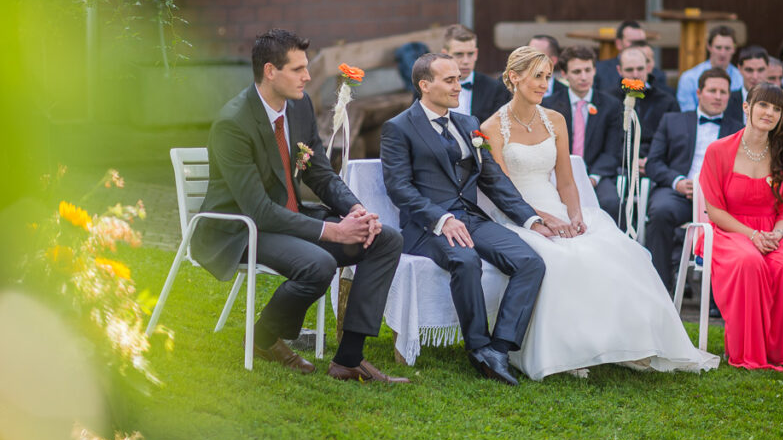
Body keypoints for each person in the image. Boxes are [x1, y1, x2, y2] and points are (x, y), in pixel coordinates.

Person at [478, 46, 719, 380]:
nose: (544, 84)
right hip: (520, 217)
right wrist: (542, 220)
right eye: (537, 77)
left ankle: (629, 343)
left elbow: (566, 180)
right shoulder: (491, 128)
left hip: (559, 209)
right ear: (514, 77)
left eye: (548, 77)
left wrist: (575, 215)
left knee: (623, 251)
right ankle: (574, 350)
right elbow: (505, 193)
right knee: (563, 260)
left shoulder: (555, 120)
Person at [192, 29, 408, 383]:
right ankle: (262, 338)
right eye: (298, 69)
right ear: (270, 71)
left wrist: (353, 209)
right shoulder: (233, 124)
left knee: (384, 238)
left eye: (306, 68)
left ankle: (348, 359)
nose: (308, 77)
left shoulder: (299, 105)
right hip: (240, 227)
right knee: (318, 264)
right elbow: (258, 210)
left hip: (289, 216)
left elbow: (319, 172)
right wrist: (332, 230)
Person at [380, 52, 550, 386]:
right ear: (424, 85)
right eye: (450, 80)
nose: (459, 86)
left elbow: (493, 179)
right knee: (466, 260)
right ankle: (477, 346)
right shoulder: (398, 128)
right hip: (428, 228)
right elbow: (398, 188)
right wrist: (441, 219)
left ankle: (498, 350)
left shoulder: (469, 124)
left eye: (459, 79)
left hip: (472, 219)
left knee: (530, 261)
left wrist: (531, 219)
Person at [698, 83, 783, 373]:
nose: (769, 113)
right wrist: (752, 235)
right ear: (746, 107)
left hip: (771, 230)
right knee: (748, 261)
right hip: (729, 230)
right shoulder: (718, 151)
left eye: (777, 109)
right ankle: (748, 352)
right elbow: (714, 210)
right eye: (763, 105)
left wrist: (776, 234)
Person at [645, 67, 743, 290]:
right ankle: (660, 289)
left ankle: (720, 296)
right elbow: (653, 163)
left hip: (721, 200)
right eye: (712, 90)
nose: (718, 97)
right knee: (660, 211)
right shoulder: (672, 121)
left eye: (723, 92)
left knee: (739, 220)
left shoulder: (739, 130)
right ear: (699, 93)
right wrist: (677, 181)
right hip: (679, 193)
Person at [543, 45, 623, 219]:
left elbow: (612, 151)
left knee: (611, 202)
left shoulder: (611, 105)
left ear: (595, 70)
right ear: (564, 74)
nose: (584, 77)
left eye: (588, 70)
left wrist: (592, 178)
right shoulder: (549, 106)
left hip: (597, 174)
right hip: (558, 174)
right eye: (577, 71)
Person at [617, 44, 679, 167]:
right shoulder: (609, 100)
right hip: (618, 165)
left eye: (640, 69)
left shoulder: (667, 101)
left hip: (656, 164)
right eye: (629, 70)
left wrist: (651, 162)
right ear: (619, 70)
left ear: (648, 68)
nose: (635, 74)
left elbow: (673, 140)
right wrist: (631, 161)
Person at [442, 24, 509, 123]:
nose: (466, 61)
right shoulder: (429, 86)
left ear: (476, 54)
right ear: (445, 55)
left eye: (470, 54)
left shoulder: (494, 88)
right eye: (459, 54)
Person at [676, 24, 744, 111]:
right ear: (709, 46)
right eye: (718, 47)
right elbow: (687, 115)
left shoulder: (741, 79)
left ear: (734, 49)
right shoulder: (689, 78)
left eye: (727, 48)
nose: (722, 53)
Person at [593, 20, 669, 96]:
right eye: (633, 42)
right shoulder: (600, 71)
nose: (637, 46)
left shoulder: (657, 75)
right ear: (619, 44)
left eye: (641, 42)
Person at [723, 45, 769, 123]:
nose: (755, 76)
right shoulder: (727, 101)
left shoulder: (778, 101)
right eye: (749, 70)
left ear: (768, 68)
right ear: (739, 69)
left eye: (760, 70)